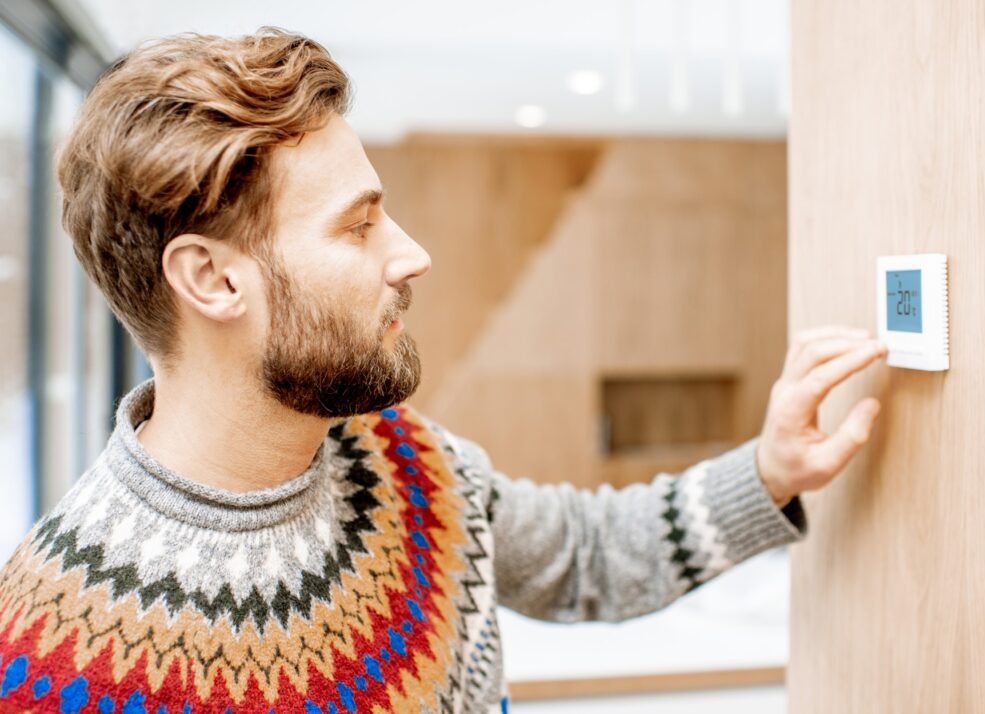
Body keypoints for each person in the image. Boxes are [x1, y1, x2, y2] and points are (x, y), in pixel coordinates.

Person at [0, 29, 887, 714]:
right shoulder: (54, 657)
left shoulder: (394, 451)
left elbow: (581, 556)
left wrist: (769, 472)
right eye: (358, 226)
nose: (413, 255)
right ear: (212, 279)